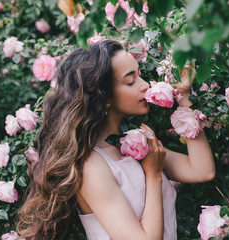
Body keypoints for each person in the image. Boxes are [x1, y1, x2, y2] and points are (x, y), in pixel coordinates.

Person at [17, 40, 215, 240]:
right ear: (104, 97)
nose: (145, 85)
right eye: (130, 81)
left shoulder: (136, 145)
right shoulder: (92, 166)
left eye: (140, 75)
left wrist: (184, 97)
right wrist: (153, 175)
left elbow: (202, 170)